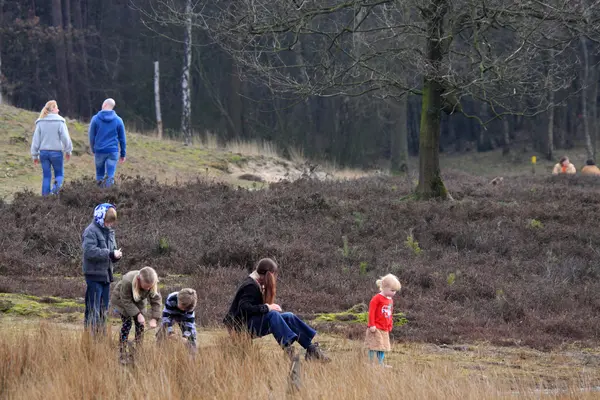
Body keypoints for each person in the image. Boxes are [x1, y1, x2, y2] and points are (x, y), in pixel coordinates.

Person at [223, 258, 330, 362]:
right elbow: (244, 308)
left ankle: (311, 349)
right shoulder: (250, 285)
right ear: (269, 274)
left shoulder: (257, 283)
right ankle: (289, 350)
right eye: (274, 275)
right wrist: (267, 307)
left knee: (289, 316)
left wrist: (267, 307)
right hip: (238, 328)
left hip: (249, 322)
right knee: (273, 314)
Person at [82, 203, 122, 335]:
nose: (109, 225)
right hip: (94, 276)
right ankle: (90, 339)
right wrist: (109, 254)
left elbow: (111, 251)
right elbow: (89, 252)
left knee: (104, 310)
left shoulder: (110, 233)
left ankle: (101, 339)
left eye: (111, 223)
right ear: (100, 217)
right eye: (107, 222)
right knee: (93, 310)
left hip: (106, 275)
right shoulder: (90, 231)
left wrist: (116, 256)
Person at [111, 267, 162, 360]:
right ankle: (121, 349)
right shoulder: (128, 281)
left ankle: (138, 350)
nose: (148, 288)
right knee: (127, 323)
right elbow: (126, 300)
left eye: (150, 287)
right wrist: (137, 314)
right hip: (121, 300)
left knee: (140, 325)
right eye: (146, 286)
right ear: (139, 280)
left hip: (139, 300)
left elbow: (156, 301)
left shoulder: (152, 282)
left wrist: (154, 318)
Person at [30, 100, 73, 196]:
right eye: (57, 107)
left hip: (43, 153)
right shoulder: (60, 121)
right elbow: (65, 138)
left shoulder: (40, 122)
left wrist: (35, 156)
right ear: (53, 109)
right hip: (56, 153)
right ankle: (54, 193)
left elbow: (35, 140)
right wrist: (68, 151)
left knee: (46, 177)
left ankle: (45, 199)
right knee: (59, 175)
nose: (58, 109)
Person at [88, 98, 126, 187]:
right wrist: (123, 154)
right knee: (110, 175)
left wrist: (93, 149)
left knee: (100, 175)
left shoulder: (95, 119)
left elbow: (91, 136)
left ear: (104, 105)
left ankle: (100, 194)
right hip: (113, 151)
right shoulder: (118, 120)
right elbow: (122, 139)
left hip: (99, 151)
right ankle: (109, 195)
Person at [365, 274, 401, 367]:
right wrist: (372, 324)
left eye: (395, 291)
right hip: (375, 328)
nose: (394, 293)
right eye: (392, 290)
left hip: (384, 328)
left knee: (383, 347)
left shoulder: (390, 300)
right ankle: (371, 363)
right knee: (373, 346)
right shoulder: (376, 298)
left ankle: (381, 363)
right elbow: (371, 312)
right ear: (384, 287)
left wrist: (390, 324)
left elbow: (390, 313)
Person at [156, 288, 198, 352]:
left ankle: (192, 355)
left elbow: (189, 323)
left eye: (185, 308)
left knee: (191, 336)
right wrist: (170, 332)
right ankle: (159, 351)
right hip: (171, 315)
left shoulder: (190, 306)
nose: (183, 309)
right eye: (182, 306)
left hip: (184, 317)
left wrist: (185, 336)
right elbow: (166, 317)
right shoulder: (171, 298)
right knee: (162, 331)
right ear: (178, 299)